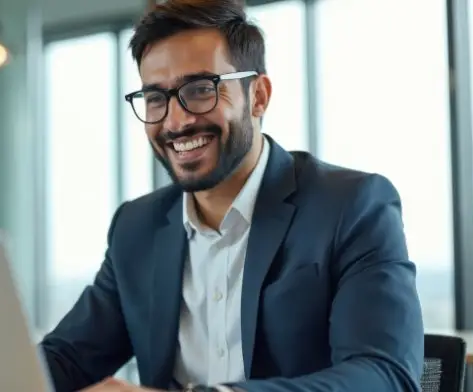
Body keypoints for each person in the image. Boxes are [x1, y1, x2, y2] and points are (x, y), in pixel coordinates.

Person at [39, 0, 424, 391]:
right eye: (156, 98)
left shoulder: (351, 207)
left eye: (201, 89)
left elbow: (384, 376)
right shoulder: (137, 229)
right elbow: (66, 359)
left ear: (258, 96)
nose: (177, 121)